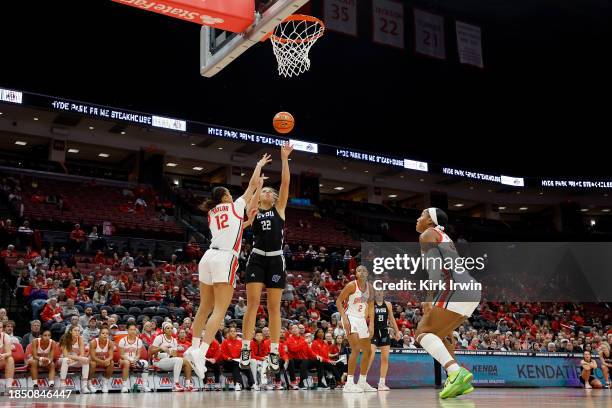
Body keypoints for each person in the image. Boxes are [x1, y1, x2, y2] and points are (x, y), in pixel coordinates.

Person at [184, 154, 270, 380]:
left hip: (208, 257)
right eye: (229, 194)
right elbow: (250, 189)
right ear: (224, 197)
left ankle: (193, 347)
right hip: (225, 259)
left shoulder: (212, 213)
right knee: (219, 311)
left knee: (204, 307)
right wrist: (258, 167)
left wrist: (250, 216)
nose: (232, 196)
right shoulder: (233, 206)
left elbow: (238, 226)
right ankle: (201, 353)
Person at [414, 208, 481, 399]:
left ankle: (455, 372)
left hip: (455, 288)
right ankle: (456, 380)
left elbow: (434, 269)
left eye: (422, 215)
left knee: (422, 332)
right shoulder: (443, 236)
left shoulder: (428, 234)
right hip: (470, 289)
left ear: (429, 221)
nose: (418, 218)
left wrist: (429, 297)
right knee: (441, 335)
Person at [241, 144, 294, 373]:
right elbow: (250, 195)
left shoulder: (279, 208)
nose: (267, 193)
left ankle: (273, 350)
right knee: (252, 305)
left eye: (269, 192)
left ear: (274, 198)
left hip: (275, 259)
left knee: (274, 308)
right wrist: (258, 173)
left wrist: (284, 158)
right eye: (264, 191)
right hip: (256, 258)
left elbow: (285, 183)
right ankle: (245, 347)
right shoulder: (255, 209)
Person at [336, 265, 375, 393]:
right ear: (356, 274)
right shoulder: (351, 286)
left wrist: (371, 324)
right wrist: (344, 318)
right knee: (356, 349)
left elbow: (370, 306)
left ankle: (362, 382)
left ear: (367, 273)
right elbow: (338, 301)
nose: (362, 272)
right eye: (359, 270)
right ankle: (349, 383)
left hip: (361, 319)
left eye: (364, 270)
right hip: (349, 317)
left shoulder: (370, 288)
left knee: (368, 351)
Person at [368, 290, 401, 391]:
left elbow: (392, 318)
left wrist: (397, 331)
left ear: (383, 293)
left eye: (380, 292)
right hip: (374, 332)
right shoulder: (370, 304)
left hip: (384, 332)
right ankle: (362, 380)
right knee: (370, 356)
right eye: (377, 292)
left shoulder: (388, 304)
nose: (378, 293)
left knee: (385, 358)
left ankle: (382, 383)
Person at [150, 321, 194, 392]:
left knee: (187, 361)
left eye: (171, 328)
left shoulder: (174, 340)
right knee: (179, 360)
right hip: (158, 362)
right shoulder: (159, 338)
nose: (170, 329)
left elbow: (174, 355)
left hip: (169, 361)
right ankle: (175, 384)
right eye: (167, 328)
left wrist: (169, 353)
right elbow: (150, 352)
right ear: (164, 330)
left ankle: (188, 384)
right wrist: (160, 348)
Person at [219, 326, 255, 391]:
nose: (233, 332)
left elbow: (243, 353)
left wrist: (243, 359)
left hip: (238, 362)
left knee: (246, 365)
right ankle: (238, 384)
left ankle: (252, 383)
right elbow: (222, 353)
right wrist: (228, 358)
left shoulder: (240, 342)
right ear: (229, 333)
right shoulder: (225, 342)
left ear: (236, 333)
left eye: (234, 331)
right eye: (231, 331)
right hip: (227, 362)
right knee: (235, 364)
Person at [119, 323, 152, 393]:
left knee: (145, 363)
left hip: (134, 360)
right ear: (127, 330)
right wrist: (130, 360)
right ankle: (124, 386)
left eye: (134, 330)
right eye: (131, 329)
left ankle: (144, 385)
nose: (133, 331)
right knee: (127, 363)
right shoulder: (122, 341)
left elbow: (138, 354)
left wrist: (134, 360)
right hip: (123, 360)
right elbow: (121, 355)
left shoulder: (138, 341)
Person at [58, 326, 90, 391]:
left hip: (73, 360)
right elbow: (65, 355)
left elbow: (82, 354)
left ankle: (84, 386)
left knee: (86, 361)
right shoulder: (65, 339)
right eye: (75, 330)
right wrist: (77, 358)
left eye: (78, 331)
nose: (77, 332)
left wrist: (74, 359)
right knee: (66, 360)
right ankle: (62, 384)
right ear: (70, 331)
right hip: (61, 359)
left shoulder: (80, 339)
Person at [86, 326, 115, 393]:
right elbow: (92, 356)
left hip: (103, 361)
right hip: (94, 360)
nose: (105, 335)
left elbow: (111, 356)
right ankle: (89, 383)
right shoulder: (93, 342)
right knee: (93, 363)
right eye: (103, 333)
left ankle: (105, 383)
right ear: (99, 334)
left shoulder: (110, 342)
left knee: (112, 363)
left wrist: (107, 360)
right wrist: (103, 362)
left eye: (107, 333)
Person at [0, 321, 16, 391]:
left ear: (2, 329)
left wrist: (3, 355)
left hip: (1, 359)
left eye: (0, 327)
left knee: (10, 359)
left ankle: (8, 387)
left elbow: (9, 353)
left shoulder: (5, 336)